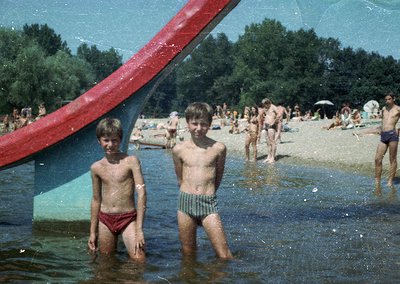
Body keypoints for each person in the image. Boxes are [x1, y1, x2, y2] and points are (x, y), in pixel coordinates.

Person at [172, 102, 233, 259]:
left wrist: (207, 194)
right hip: (185, 203)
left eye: (203, 124)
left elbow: (217, 178)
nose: (198, 128)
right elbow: (180, 179)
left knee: (224, 255)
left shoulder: (218, 148)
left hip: (208, 202)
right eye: (194, 123)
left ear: (210, 125)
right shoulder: (179, 150)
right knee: (188, 253)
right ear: (187, 123)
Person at [88, 117, 146, 261]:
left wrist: (139, 229)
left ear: (120, 140)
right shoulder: (96, 167)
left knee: (139, 260)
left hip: (128, 218)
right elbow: (96, 200)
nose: (110, 144)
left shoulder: (131, 161)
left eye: (114, 140)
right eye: (106, 140)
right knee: (106, 262)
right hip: (105, 219)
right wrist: (92, 232)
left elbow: (142, 193)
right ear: (99, 141)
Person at [374, 92, 400, 194]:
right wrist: (380, 129)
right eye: (386, 99)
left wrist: (399, 128)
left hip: (393, 135)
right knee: (377, 159)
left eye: (389, 99)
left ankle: (390, 181)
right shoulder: (384, 109)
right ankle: (377, 182)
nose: (387, 101)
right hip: (383, 135)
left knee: (392, 159)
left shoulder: (398, 109)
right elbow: (383, 121)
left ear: (393, 99)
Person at [262, 98, 279, 163]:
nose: (264, 106)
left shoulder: (273, 107)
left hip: (271, 126)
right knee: (268, 143)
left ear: (268, 103)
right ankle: (268, 156)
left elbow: (279, 114)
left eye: (265, 104)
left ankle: (273, 157)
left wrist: (274, 122)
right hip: (266, 125)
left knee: (272, 142)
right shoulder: (266, 108)